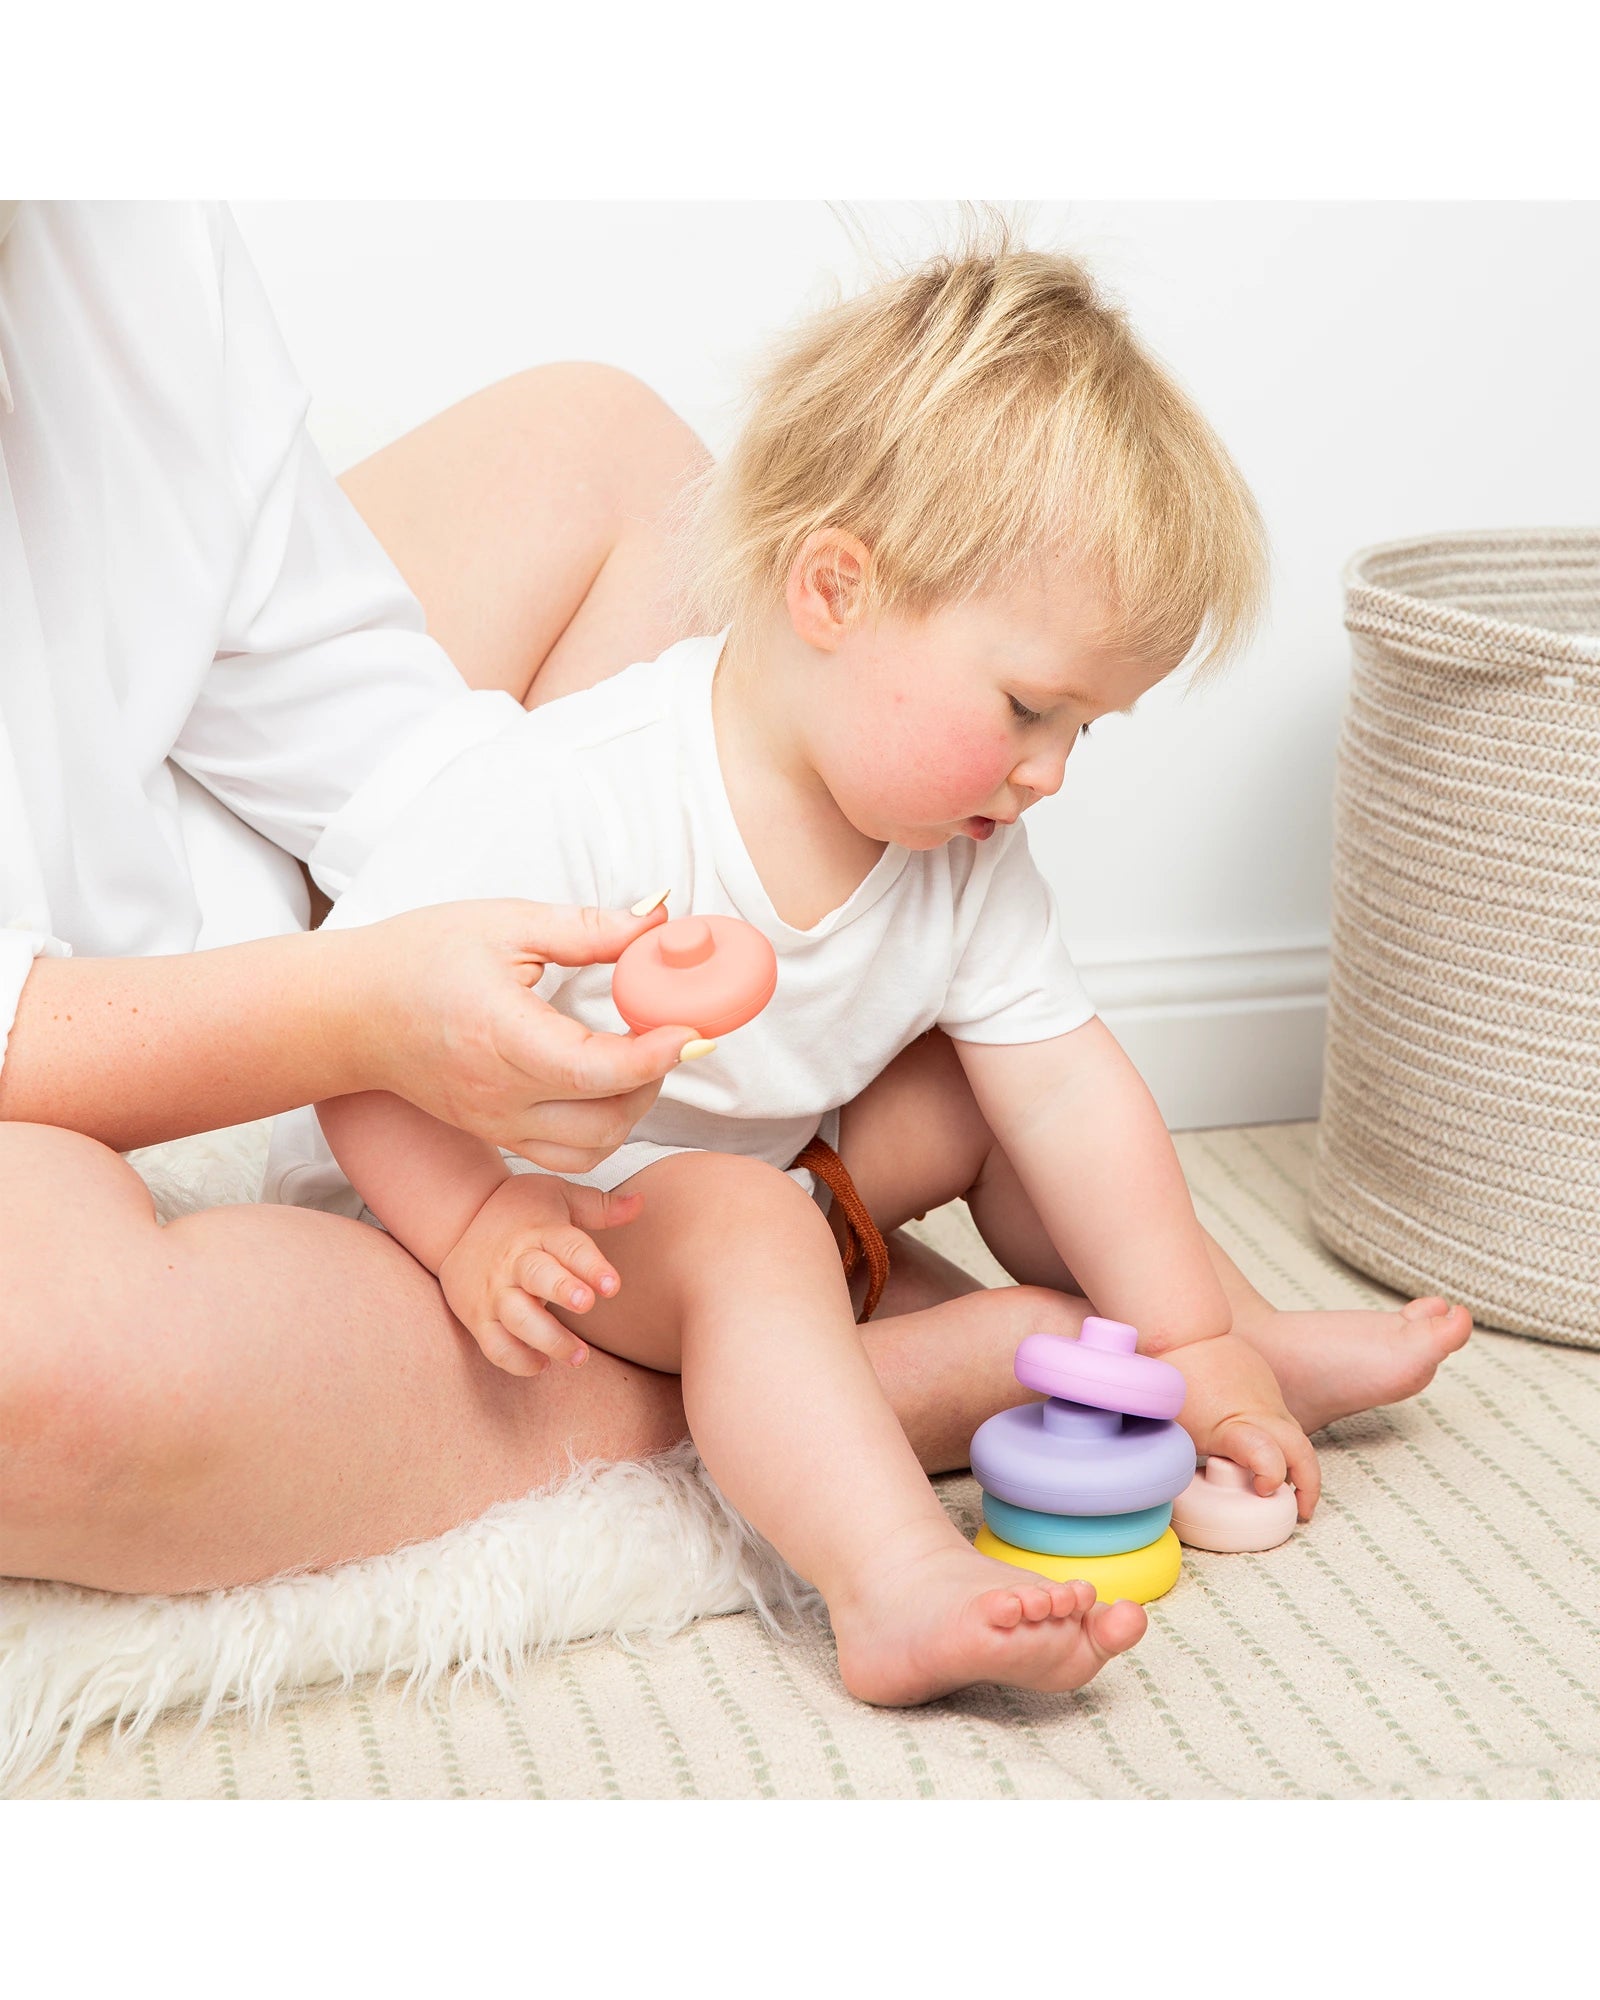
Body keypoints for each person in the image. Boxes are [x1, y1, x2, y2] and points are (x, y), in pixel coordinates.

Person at [264, 242, 1474, 1705]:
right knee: (739, 1229)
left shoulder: (956, 851)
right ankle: (889, 1576)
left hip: (755, 1168)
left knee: (1001, 1087)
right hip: (491, 1205)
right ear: (835, 588)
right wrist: (471, 1226)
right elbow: (348, 1037)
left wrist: (1197, 1336)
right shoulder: (579, 789)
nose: (1050, 774)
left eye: (1086, 730)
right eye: (1031, 708)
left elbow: (1074, 1099)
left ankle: (1221, 1343)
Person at [0, 202, 1134, 1597]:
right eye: (1032, 713)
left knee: (607, 457)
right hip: (53, 1079)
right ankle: (776, 1394)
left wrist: (552, 845)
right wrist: (361, 1012)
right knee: (32, 1357)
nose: (1050, 773)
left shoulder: (108, 215)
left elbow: (293, 658)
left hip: (177, 853)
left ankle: (759, 1274)